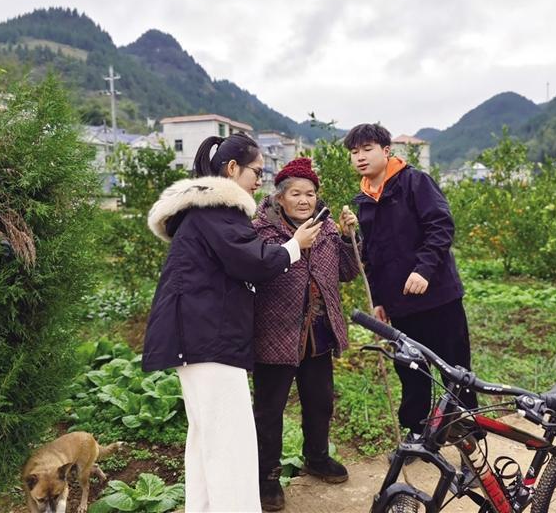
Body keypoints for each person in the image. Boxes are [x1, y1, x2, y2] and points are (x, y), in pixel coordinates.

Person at [142, 134, 322, 513]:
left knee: (206, 439)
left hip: (196, 339)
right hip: (210, 340)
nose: (260, 181)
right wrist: (294, 245)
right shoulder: (217, 211)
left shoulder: (201, 212)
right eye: (257, 171)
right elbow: (253, 260)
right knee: (230, 443)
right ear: (232, 168)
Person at [343, 123, 478, 442]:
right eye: (354, 152)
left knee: (454, 370)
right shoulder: (364, 200)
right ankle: (417, 435)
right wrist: (379, 299)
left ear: (386, 151)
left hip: (438, 298)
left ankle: (469, 439)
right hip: (400, 306)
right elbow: (371, 255)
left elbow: (440, 227)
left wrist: (423, 270)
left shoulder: (414, 182)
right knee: (411, 370)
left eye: (367, 149)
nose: (360, 157)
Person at [251, 157, 360, 512]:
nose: (304, 200)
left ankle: (316, 457)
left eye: (310, 193)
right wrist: (295, 244)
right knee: (270, 409)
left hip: (318, 332)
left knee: (320, 400)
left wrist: (349, 237)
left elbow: (348, 272)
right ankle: (267, 476)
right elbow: (255, 272)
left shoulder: (326, 228)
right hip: (275, 333)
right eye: (296, 193)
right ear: (280, 197)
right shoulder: (261, 231)